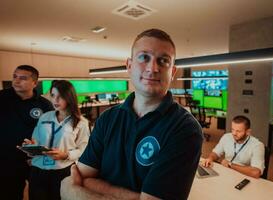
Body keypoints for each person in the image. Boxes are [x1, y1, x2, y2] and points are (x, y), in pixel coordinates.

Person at [61, 28, 203, 200]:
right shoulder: (107, 119)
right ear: (129, 65)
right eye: (144, 57)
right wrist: (136, 196)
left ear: (172, 72)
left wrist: (89, 188)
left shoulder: (185, 129)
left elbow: (81, 183)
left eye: (163, 60)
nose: (153, 68)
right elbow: (82, 177)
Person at [21, 80, 90, 200]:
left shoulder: (81, 122)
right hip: (38, 171)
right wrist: (31, 145)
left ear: (69, 97)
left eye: (60, 96)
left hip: (62, 171)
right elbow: (36, 140)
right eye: (53, 95)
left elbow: (84, 149)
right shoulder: (44, 116)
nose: (55, 100)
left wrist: (66, 155)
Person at [0, 65, 53, 200]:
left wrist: (40, 155)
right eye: (15, 77)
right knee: (9, 194)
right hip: (6, 160)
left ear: (34, 83)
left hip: (35, 159)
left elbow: (51, 132)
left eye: (23, 78)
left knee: (41, 194)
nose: (16, 81)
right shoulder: (2, 98)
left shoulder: (44, 105)